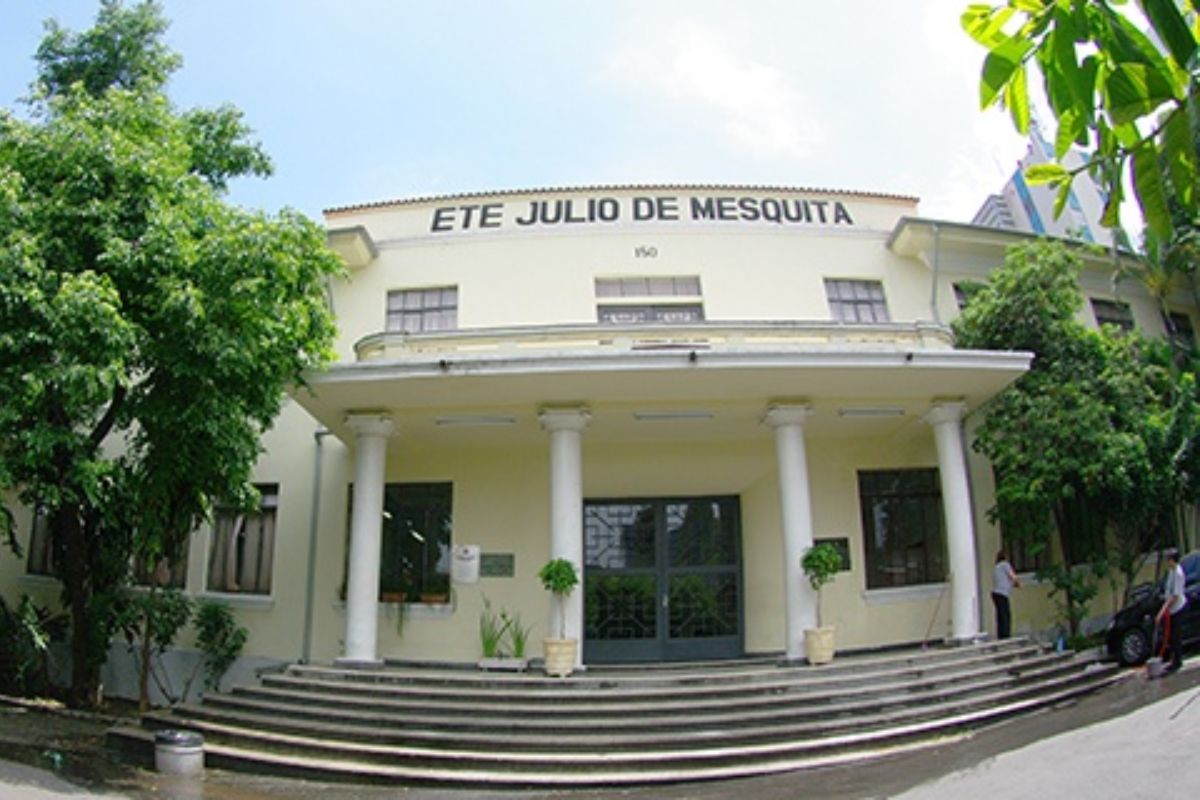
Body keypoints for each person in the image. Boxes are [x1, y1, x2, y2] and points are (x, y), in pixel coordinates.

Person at [1156, 550, 1188, 674]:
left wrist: (1162, 611)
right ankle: (1173, 659)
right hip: (1171, 608)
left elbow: (1175, 596)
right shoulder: (1171, 571)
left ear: (1173, 560)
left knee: (1175, 636)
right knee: (1170, 636)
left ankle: (1177, 662)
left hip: (1178, 608)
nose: (1167, 562)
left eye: (1168, 559)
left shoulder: (1178, 574)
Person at [992, 551, 1021, 640]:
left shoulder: (996, 567)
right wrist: (1018, 583)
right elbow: (1013, 576)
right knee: (1006, 615)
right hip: (1002, 593)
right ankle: (1006, 635)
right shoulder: (1005, 564)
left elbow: (1003, 581)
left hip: (996, 593)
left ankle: (1000, 634)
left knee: (1000, 615)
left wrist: (1012, 584)